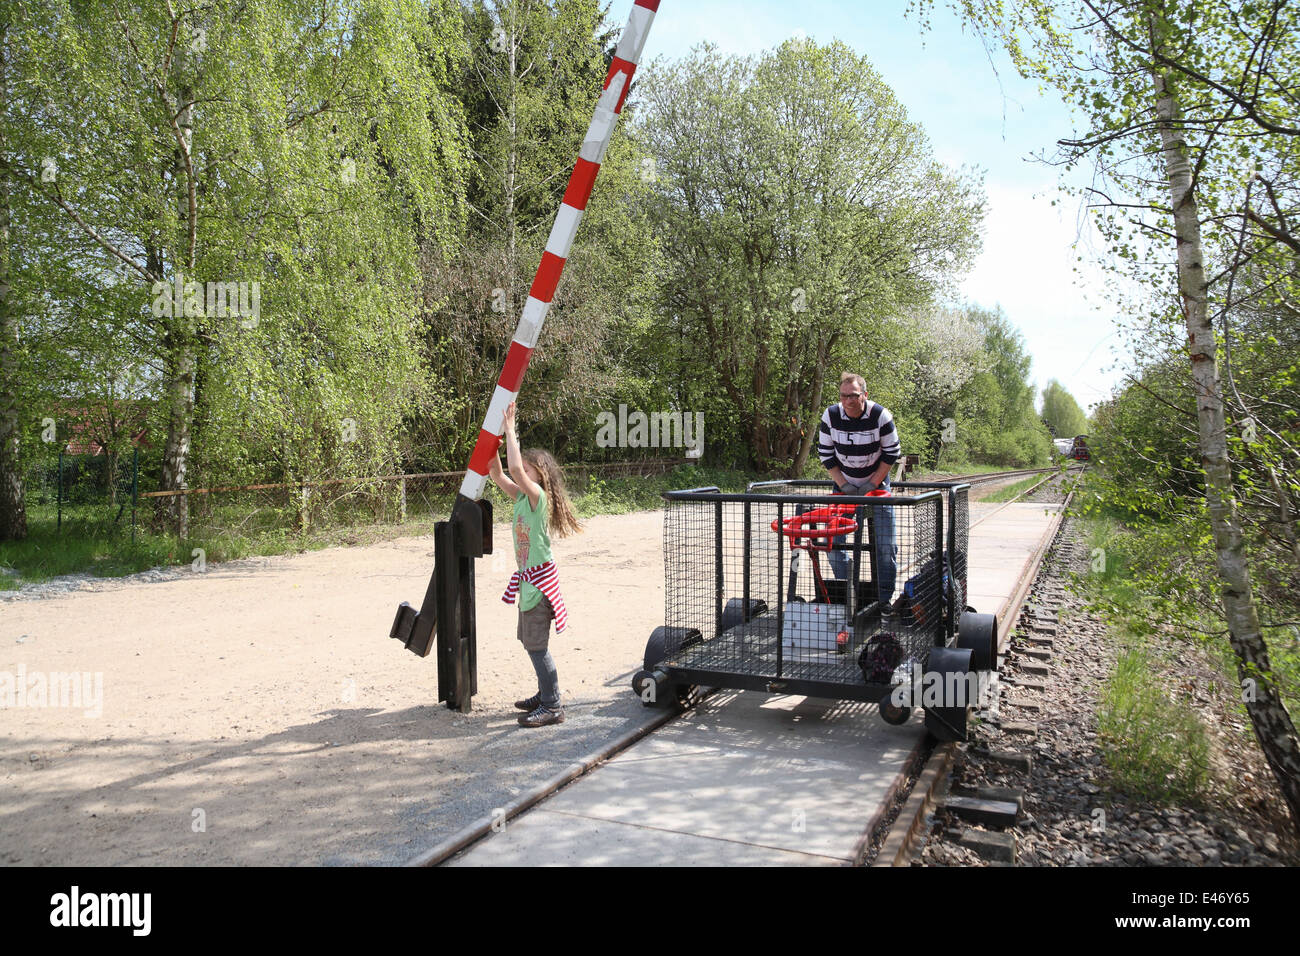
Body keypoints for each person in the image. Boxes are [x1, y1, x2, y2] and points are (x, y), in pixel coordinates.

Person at [487, 401, 583, 728]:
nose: (522, 474)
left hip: (539, 585)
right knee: (531, 644)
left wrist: (511, 429)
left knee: (538, 647)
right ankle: (545, 694)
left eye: (527, 471)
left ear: (539, 477)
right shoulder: (519, 498)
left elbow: (512, 470)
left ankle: (553, 705)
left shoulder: (537, 499)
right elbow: (498, 473)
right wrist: (491, 441)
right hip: (528, 584)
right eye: (523, 470)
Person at [817, 372, 901, 606]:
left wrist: (871, 484)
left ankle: (883, 601)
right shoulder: (831, 415)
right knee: (832, 544)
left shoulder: (880, 415)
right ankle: (850, 595)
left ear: (864, 395)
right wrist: (844, 485)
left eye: (853, 396)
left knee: (886, 546)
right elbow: (826, 454)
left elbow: (891, 453)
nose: (848, 402)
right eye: (843, 396)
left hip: (877, 486)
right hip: (844, 486)